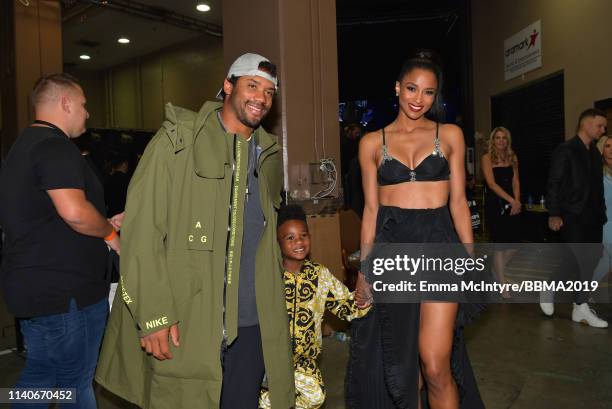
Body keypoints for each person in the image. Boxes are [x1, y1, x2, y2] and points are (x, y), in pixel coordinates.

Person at [95, 53, 295, 408]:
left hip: (251, 323)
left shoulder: (268, 156)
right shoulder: (177, 141)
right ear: (228, 86)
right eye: (252, 86)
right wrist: (153, 315)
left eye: (269, 92)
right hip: (187, 321)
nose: (261, 98)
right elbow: (143, 235)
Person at [346, 50, 484, 409]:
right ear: (397, 88)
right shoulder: (371, 142)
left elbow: (457, 203)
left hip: (439, 243)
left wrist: (470, 258)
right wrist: (365, 271)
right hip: (394, 249)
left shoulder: (449, 134)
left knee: (435, 363)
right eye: (411, 88)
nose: (418, 99)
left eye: (427, 92)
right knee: (405, 367)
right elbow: (372, 209)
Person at [0, 73, 120, 409]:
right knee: (76, 381)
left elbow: (45, 219)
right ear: (65, 103)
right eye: (83, 105)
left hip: (35, 287)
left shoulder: (22, 148)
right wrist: (111, 235)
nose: (87, 113)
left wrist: (103, 220)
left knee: (42, 374)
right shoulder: (56, 146)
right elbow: (75, 212)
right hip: (66, 293)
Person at [259, 205, 370, 409]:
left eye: (303, 235)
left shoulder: (320, 275)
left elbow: (346, 305)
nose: (299, 242)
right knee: (266, 401)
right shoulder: (269, 276)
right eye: (290, 238)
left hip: (304, 361)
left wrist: (362, 300)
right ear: (278, 242)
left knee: (316, 396)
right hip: (271, 361)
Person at [541, 108, 608, 328]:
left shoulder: (594, 154)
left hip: (594, 218)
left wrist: (602, 213)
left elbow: (597, 188)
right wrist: (554, 213)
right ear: (586, 124)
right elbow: (554, 184)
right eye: (600, 125)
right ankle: (580, 306)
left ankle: (556, 291)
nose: (603, 130)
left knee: (580, 261)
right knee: (583, 261)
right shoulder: (566, 150)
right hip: (572, 216)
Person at [481, 126, 521, 298]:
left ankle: (496, 271)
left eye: (504, 138)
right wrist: (510, 200)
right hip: (496, 203)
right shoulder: (486, 158)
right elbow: (491, 184)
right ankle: (502, 283)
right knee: (500, 244)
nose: (501, 141)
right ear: (493, 140)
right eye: (498, 138)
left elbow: (515, 181)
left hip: (512, 204)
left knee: (514, 245)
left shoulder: (512, 157)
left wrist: (517, 201)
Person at [592, 136, 612, 287]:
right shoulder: (598, 173)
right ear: (602, 149)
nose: (611, 150)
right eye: (608, 146)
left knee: (605, 263)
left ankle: (581, 296)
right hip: (606, 224)